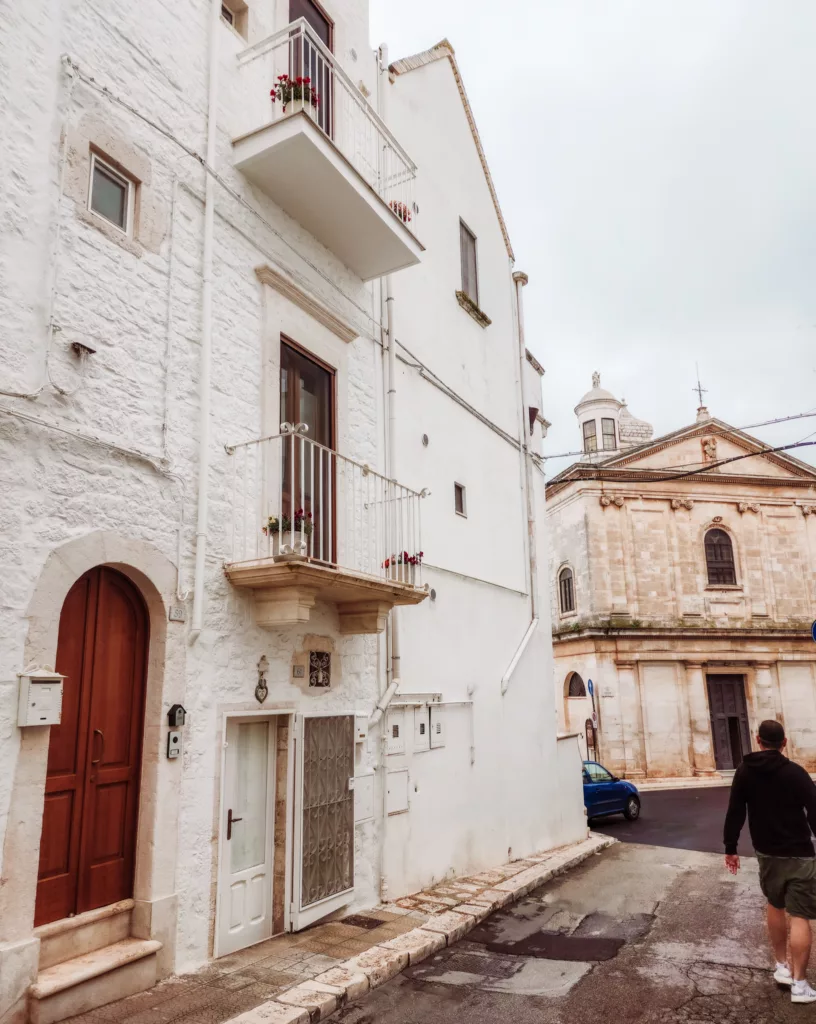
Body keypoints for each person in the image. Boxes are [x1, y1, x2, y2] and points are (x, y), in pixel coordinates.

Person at [724, 719, 816, 1004]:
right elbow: (814, 811)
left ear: (758, 740)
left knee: (775, 905)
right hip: (799, 853)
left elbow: (735, 811)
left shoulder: (745, 772)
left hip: (766, 852)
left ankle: (781, 967)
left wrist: (731, 847)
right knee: (800, 915)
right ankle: (800, 985)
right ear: (784, 742)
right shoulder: (796, 773)